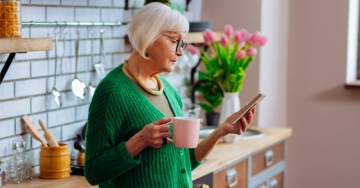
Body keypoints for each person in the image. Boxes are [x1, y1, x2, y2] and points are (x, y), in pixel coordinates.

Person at [84, 2, 256, 188]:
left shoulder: (168, 90)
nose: (180, 52)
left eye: (181, 43)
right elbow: (93, 172)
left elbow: (183, 163)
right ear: (149, 37)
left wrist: (221, 131)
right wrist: (141, 140)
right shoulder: (112, 91)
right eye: (175, 41)